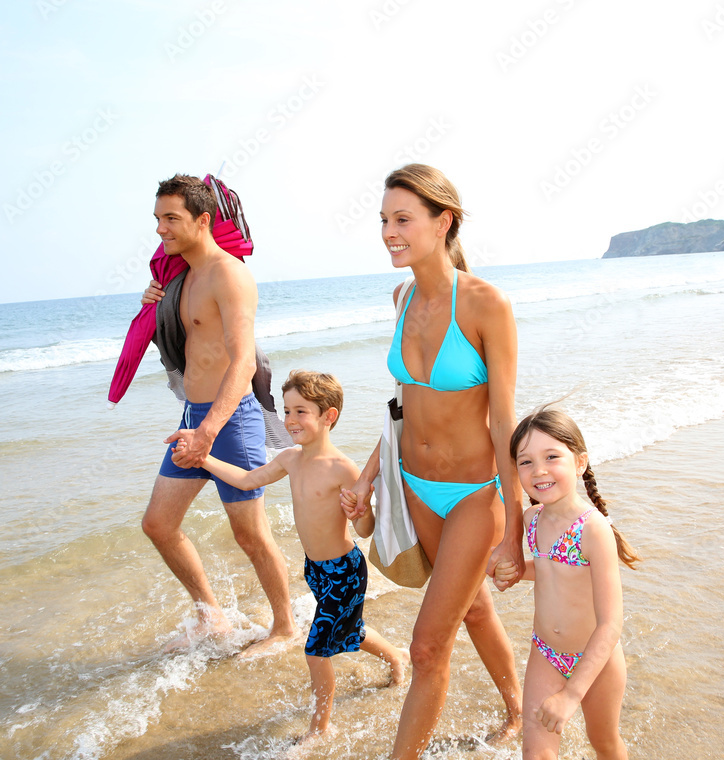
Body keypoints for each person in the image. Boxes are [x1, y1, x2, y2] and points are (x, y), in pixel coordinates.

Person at [343, 164, 524, 758]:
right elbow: (402, 408)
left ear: (443, 221)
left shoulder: (484, 304)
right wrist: (368, 477)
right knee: (470, 607)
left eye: (403, 219)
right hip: (414, 485)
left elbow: (504, 422)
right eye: (384, 221)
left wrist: (515, 527)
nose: (390, 232)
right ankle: (518, 708)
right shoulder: (401, 298)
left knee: (425, 647)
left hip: (475, 493)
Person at [172, 369, 409, 747]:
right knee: (349, 631)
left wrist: (357, 511)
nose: (290, 420)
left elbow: (364, 530)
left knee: (316, 650)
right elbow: (248, 480)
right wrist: (203, 460)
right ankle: (396, 656)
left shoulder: (342, 468)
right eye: (286, 411)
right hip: (316, 571)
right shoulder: (290, 459)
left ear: (328, 416)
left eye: (301, 411)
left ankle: (321, 727)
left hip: (345, 572)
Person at [140, 174, 295, 655]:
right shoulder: (177, 277)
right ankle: (213, 616)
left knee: (250, 535)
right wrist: (152, 310)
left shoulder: (229, 274)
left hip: (229, 422)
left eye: (172, 218)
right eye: (158, 219)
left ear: (202, 220)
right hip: (195, 417)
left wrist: (208, 432)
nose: (161, 229)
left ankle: (286, 627)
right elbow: (187, 347)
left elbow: (242, 360)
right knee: (158, 525)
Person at [493, 406, 640, 760]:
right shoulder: (532, 519)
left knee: (603, 742)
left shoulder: (593, 530)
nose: (538, 470)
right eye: (525, 462)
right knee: (537, 753)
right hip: (545, 653)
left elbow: (611, 623)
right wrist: (509, 571)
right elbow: (546, 568)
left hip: (595, 659)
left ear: (580, 462)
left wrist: (572, 694)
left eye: (552, 457)